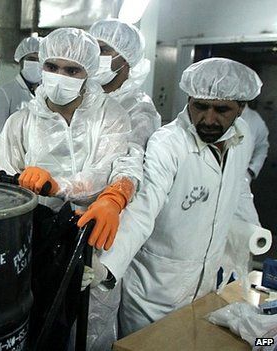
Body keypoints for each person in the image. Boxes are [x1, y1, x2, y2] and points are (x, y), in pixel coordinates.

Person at [0, 27, 136, 349]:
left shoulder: (109, 116)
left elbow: (107, 172)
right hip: (38, 244)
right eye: (52, 67)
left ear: (89, 72)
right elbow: (14, 189)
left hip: (95, 241)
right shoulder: (22, 122)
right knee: (41, 325)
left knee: (91, 330)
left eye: (72, 70)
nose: (61, 76)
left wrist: (58, 186)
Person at [93, 57, 262, 337]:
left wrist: (252, 230)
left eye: (222, 110)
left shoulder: (242, 136)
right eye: (200, 106)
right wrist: (108, 267)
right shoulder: (168, 143)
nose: (208, 119)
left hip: (205, 284)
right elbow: (144, 206)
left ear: (241, 108)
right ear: (189, 99)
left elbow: (240, 186)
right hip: (155, 290)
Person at [79, 18, 162, 350]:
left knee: (92, 326)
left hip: (105, 234)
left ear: (125, 60)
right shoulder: (86, 99)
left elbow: (134, 178)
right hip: (65, 225)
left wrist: (109, 263)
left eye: (101, 50)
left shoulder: (139, 112)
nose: (92, 57)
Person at [0, 36, 43, 168]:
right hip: (9, 168)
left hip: (36, 168)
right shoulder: (3, 94)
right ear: (21, 61)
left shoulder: (45, 95)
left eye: (40, 60)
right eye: (31, 59)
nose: (36, 63)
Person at [240, 103, 269, 180]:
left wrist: (251, 170)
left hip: (241, 178)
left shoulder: (255, 120)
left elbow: (262, 147)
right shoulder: (218, 114)